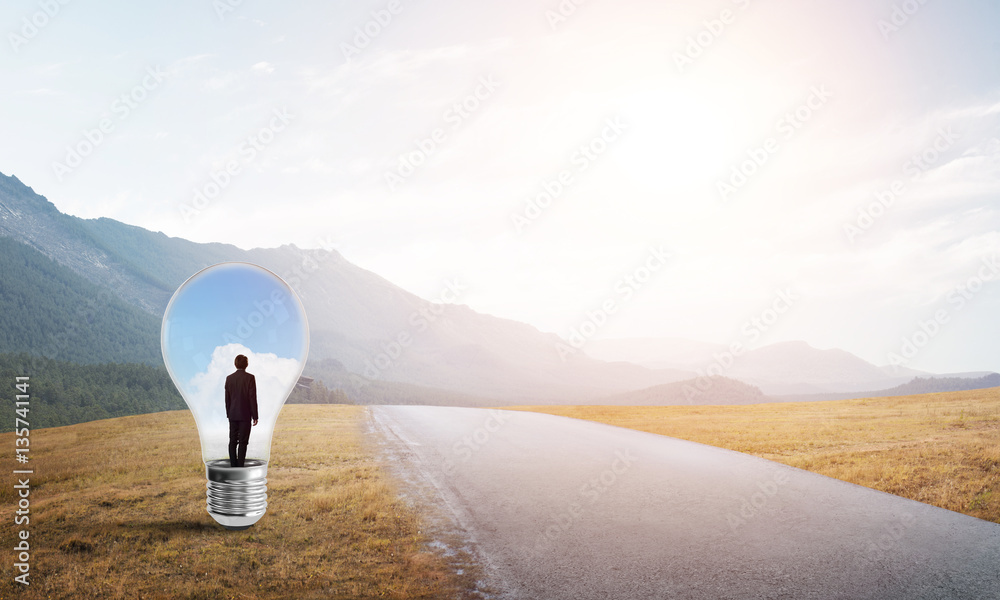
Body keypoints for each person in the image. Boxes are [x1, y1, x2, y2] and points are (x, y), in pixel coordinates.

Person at [224, 354, 258, 468]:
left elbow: (227, 399)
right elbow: (252, 398)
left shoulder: (229, 378)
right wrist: (255, 415)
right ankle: (240, 466)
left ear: (235, 364)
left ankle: (233, 466)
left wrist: (228, 413)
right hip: (245, 415)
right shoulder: (250, 378)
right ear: (247, 365)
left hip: (233, 414)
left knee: (232, 441)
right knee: (243, 442)